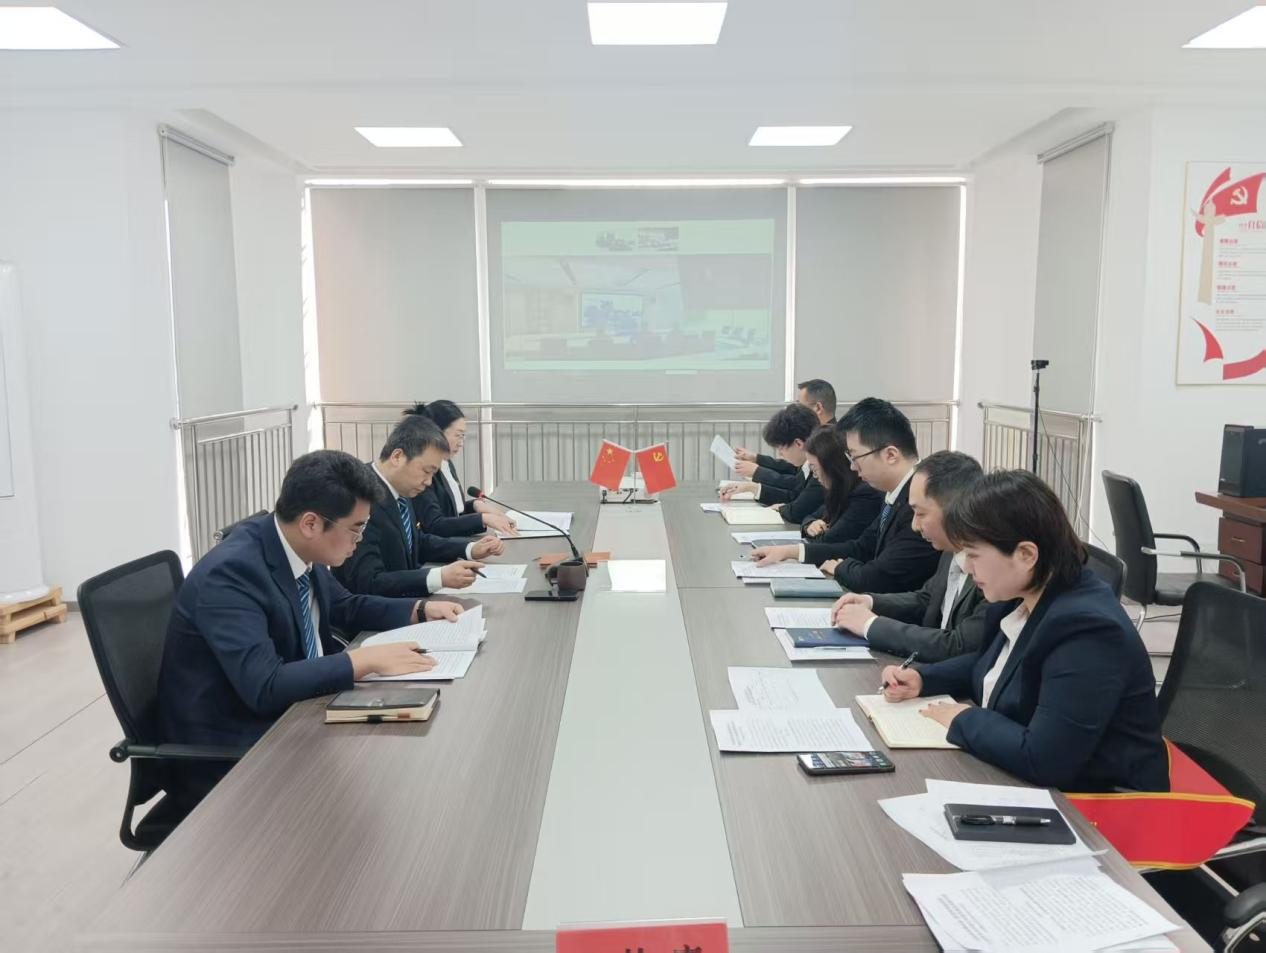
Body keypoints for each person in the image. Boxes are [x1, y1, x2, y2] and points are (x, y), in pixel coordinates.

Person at [158, 450, 465, 806]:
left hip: (297, 713)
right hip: (235, 749)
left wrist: (420, 609)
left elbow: (346, 606)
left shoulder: (295, 546)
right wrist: (363, 661)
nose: (360, 539)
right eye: (356, 528)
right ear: (311, 523)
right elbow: (265, 685)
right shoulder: (230, 575)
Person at [879, 470, 1169, 792]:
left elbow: (1045, 760)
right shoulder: (1024, 594)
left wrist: (962, 718)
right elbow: (991, 665)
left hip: (1103, 806)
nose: (968, 567)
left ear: (1026, 555)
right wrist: (924, 678)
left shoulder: (1088, 631)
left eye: (973, 555)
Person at [750, 398, 940, 594]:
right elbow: (861, 548)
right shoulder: (894, 493)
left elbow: (879, 577)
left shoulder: (922, 503)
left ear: (890, 455)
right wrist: (791, 551)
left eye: (856, 457)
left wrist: (840, 568)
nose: (852, 467)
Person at [831, 451, 989, 662]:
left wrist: (870, 625)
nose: (914, 526)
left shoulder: (992, 568)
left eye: (921, 514)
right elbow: (927, 599)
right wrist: (870, 601)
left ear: (956, 510)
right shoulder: (949, 550)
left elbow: (956, 645)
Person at [336, 416, 503, 597]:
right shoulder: (360, 498)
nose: (429, 482)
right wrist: (437, 578)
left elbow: (416, 543)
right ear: (397, 457)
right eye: (426, 471)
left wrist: (470, 549)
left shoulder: (400, 488)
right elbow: (368, 582)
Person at [406, 400, 518, 538]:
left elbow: (452, 512)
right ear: (436, 433)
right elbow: (434, 525)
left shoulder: (446, 463)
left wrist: (475, 506)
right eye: (458, 435)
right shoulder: (423, 470)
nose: (461, 443)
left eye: (463, 436)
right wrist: (482, 519)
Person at [720, 403, 825, 523]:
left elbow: (798, 510)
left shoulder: (821, 469)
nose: (780, 454)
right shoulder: (808, 464)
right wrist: (752, 488)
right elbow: (793, 494)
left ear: (798, 444)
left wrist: (782, 509)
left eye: (781, 448)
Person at [732, 378, 836, 484]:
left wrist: (758, 473)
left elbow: (797, 484)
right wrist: (757, 459)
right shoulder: (822, 436)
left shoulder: (828, 445)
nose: (797, 410)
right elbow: (795, 470)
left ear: (818, 408)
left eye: (800, 405)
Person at [796, 427, 882, 545]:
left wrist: (816, 533)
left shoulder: (865, 495)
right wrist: (810, 525)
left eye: (814, 468)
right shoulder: (840, 490)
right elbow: (810, 516)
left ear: (832, 467)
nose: (815, 476)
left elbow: (829, 541)